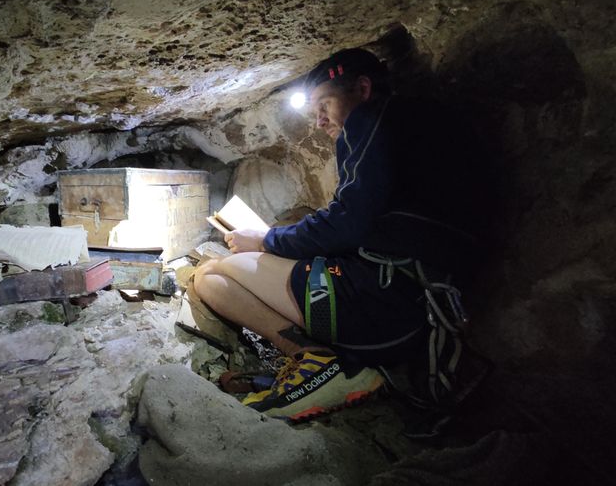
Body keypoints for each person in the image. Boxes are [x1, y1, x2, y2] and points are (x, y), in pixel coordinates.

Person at [193, 48, 479, 420]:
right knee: (214, 274)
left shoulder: (372, 118)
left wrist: (265, 239)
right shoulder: (424, 130)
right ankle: (326, 359)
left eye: (324, 104)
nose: (319, 120)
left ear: (362, 88)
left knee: (213, 272)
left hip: (378, 305)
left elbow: (348, 221)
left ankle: (320, 363)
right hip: (419, 311)